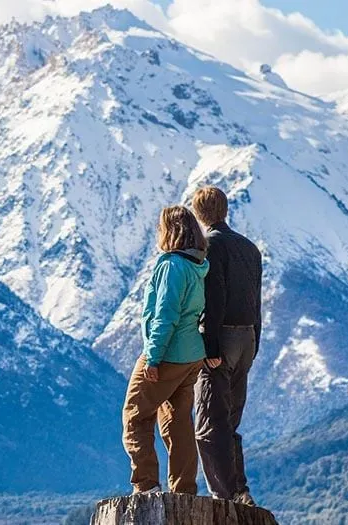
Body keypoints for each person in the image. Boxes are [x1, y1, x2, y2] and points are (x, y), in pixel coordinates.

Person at [122, 206, 210, 495]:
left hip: (168, 354)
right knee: (178, 422)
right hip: (192, 355)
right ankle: (184, 489)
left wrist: (153, 357)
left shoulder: (172, 266)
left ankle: (146, 485)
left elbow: (165, 315)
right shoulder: (198, 265)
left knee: (135, 416)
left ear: (170, 231)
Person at [191, 186, 263, 506]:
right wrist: (254, 341)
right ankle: (239, 490)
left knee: (209, 423)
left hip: (222, 338)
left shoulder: (209, 246)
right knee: (230, 420)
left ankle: (225, 496)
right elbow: (256, 300)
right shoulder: (250, 248)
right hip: (247, 337)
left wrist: (210, 346)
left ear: (198, 213)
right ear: (225, 210)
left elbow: (214, 296)